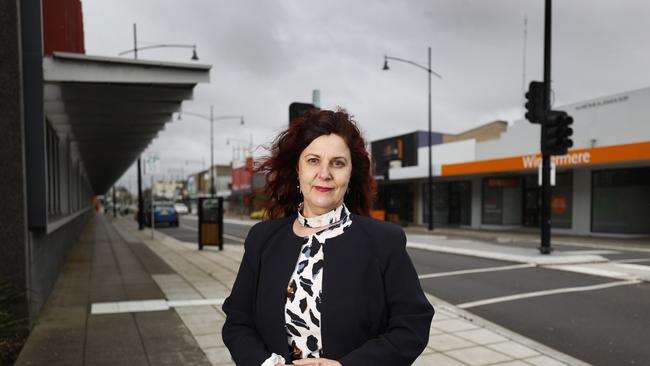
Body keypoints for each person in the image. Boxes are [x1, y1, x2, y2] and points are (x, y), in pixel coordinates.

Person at [222, 109, 434, 366]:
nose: (325, 173)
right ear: (297, 170)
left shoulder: (384, 241)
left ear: (350, 175)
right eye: (313, 160)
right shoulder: (262, 239)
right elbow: (238, 322)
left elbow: (412, 325)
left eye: (338, 163)